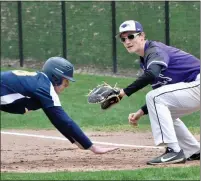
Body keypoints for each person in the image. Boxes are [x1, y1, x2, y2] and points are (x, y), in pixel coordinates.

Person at [115, 20, 200, 165]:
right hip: (194, 87)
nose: (127, 41)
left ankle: (173, 151)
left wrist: (123, 92)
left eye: (131, 36)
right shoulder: (146, 58)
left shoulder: (154, 50)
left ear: (142, 35)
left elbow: (152, 75)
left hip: (197, 83)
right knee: (164, 112)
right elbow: (161, 95)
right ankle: (193, 150)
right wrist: (140, 112)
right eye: (123, 39)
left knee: (153, 97)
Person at [0, 57, 118, 154]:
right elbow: (64, 121)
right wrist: (92, 147)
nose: (67, 86)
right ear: (55, 78)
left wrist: (83, 144)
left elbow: (57, 121)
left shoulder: (39, 82)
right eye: (66, 81)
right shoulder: (46, 88)